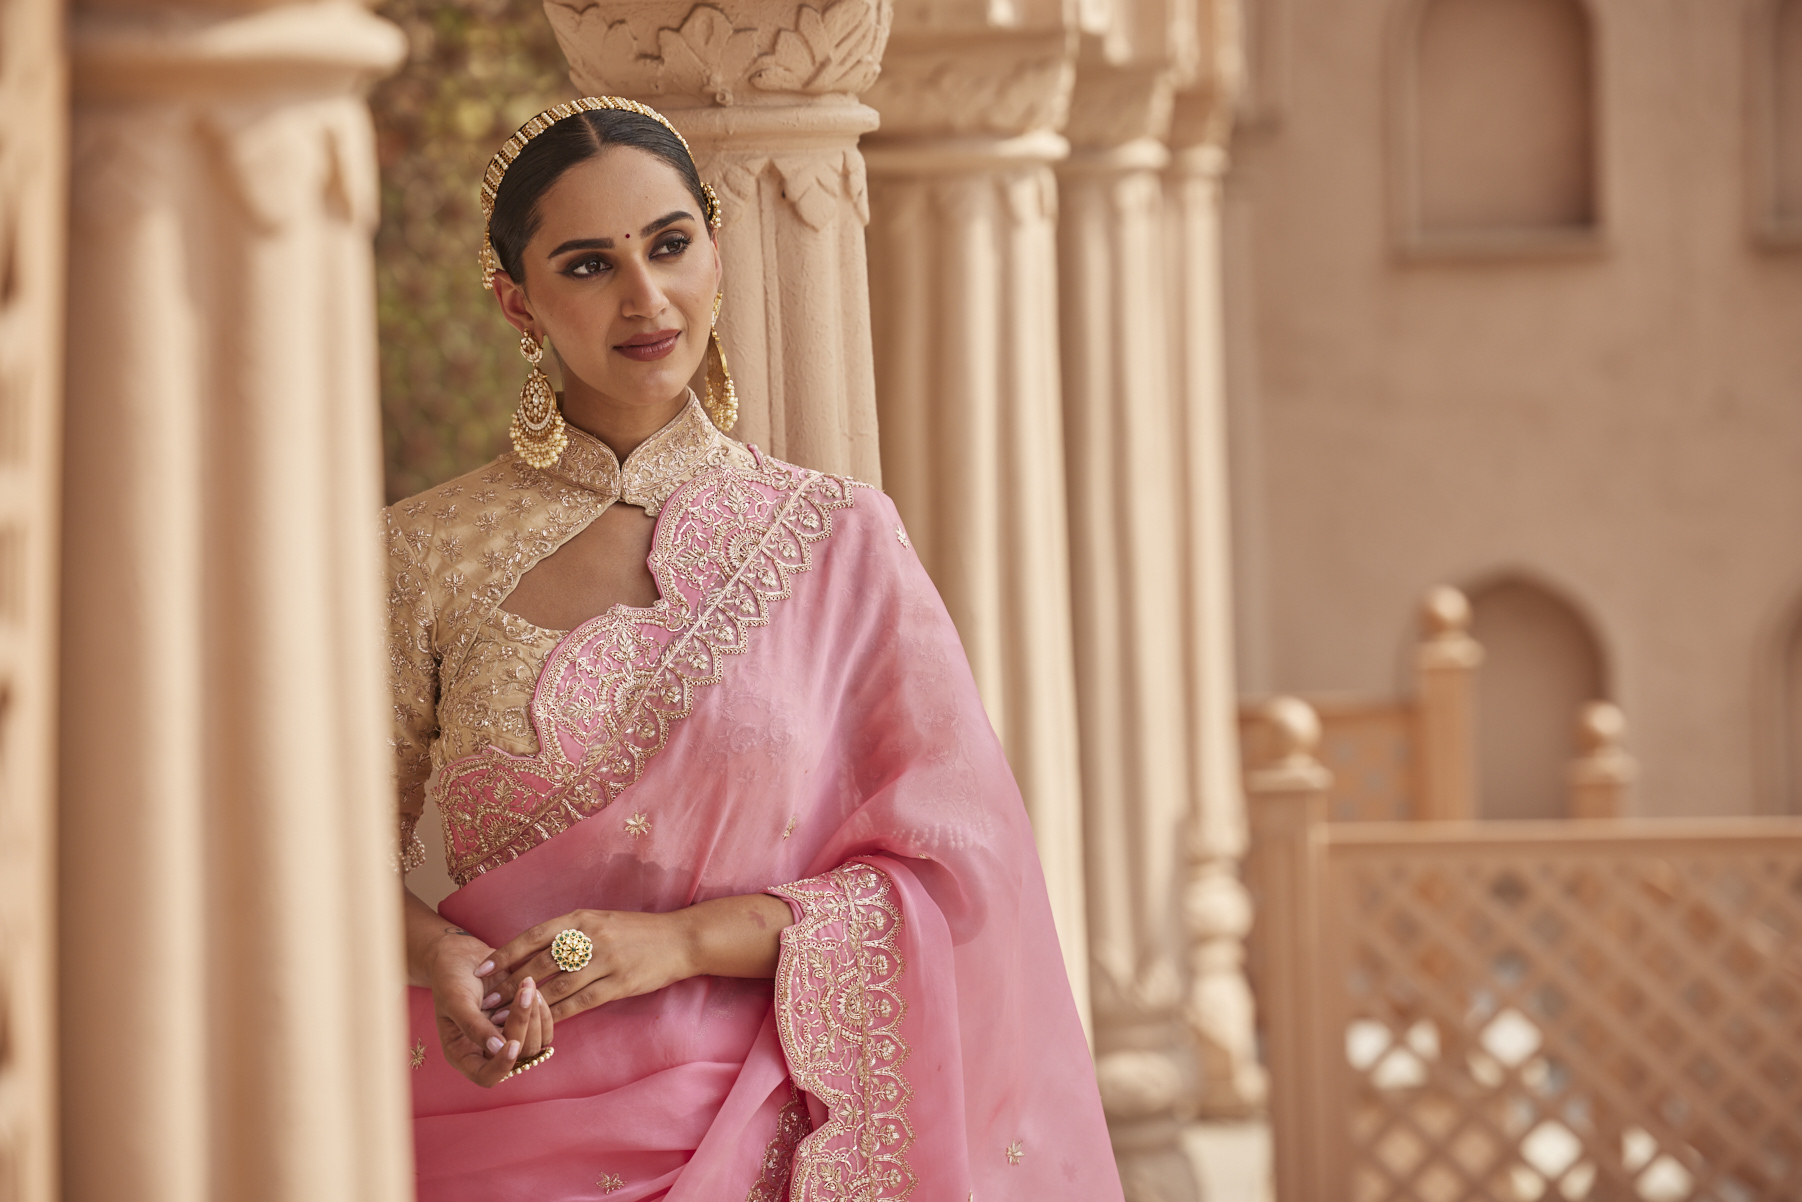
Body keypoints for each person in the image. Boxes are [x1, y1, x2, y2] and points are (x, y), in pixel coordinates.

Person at [388, 96, 1121, 1201]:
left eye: (670, 245)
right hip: (487, 1121)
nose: (646, 298)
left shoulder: (837, 538)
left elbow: (960, 878)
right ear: (516, 301)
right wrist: (435, 955)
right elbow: (317, 851)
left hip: (773, 1125)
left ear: (715, 255)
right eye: (588, 265)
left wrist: (678, 943)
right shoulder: (422, 553)